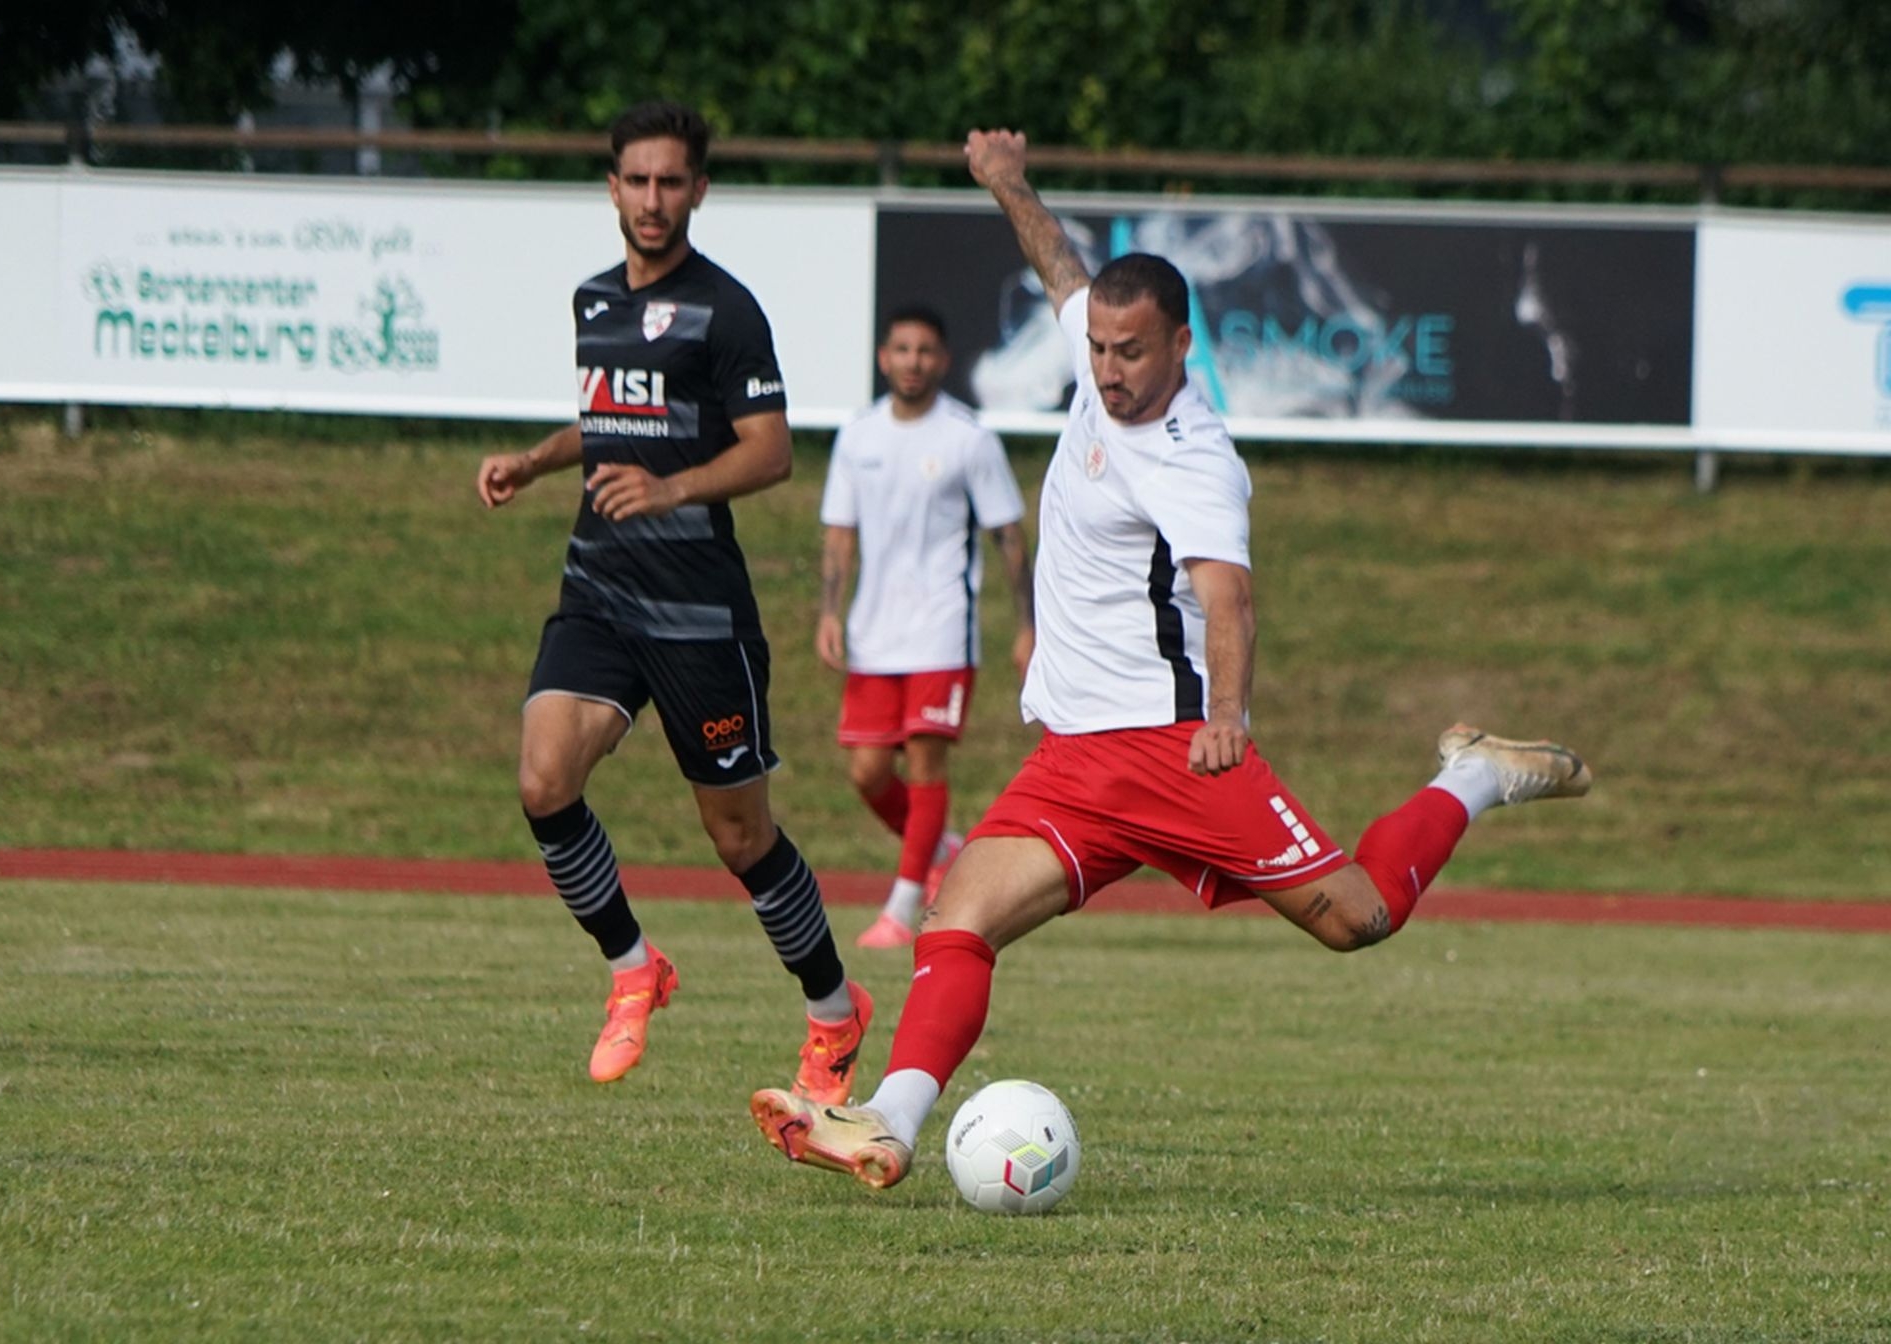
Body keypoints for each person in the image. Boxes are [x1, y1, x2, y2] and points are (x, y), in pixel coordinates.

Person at [749, 128, 1593, 1189]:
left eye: (1132, 352)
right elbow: (1063, 270)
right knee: (959, 917)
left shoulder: (1194, 460)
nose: (1109, 371)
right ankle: (888, 1123)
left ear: (1183, 345)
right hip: (1075, 759)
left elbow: (1228, 596)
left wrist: (1229, 714)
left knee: (1358, 919)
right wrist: (1009, 183)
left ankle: (1471, 776)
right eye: (1100, 349)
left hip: (1173, 751)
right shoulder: (1097, 355)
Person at [475, 100, 871, 1102]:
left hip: (699, 615)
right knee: (543, 780)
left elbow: (770, 453)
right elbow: (606, 416)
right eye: (637, 180)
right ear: (612, 188)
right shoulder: (595, 302)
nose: (653, 199)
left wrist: (671, 489)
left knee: (740, 839)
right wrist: (533, 461)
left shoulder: (727, 311)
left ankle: (834, 1011)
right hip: (599, 591)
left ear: (699, 190)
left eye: (670, 182)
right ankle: (633, 968)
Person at [816, 305, 1036, 949]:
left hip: (942, 629)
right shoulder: (857, 436)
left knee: (924, 760)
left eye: (925, 350)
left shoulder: (969, 438)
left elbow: (1008, 536)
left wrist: (1028, 626)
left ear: (943, 360)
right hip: (873, 633)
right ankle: (943, 849)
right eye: (902, 349)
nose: (913, 361)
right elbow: (839, 534)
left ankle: (902, 908)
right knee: (867, 772)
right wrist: (828, 612)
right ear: (883, 357)